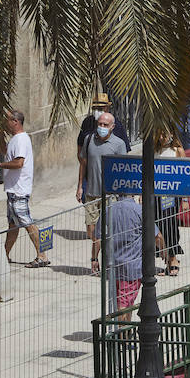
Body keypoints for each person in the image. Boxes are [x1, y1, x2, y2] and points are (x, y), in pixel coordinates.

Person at [0, 110, 48, 268]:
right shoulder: (15, 140)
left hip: (19, 190)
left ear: (15, 122)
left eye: (8, 121)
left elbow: (18, 163)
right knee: (13, 225)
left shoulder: (22, 140)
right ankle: (4, 255)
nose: (6, 123)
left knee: (27, 223)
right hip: (12, 190)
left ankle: (42, 255)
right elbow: (6, 152)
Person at [78, 108, 128, 276]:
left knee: (109, 231)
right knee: (92, 232)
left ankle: (109, 262)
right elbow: (83, 163)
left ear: (112, 126)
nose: (101, 127)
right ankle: (95, 259)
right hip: (91, 193)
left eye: (105, 124)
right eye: (100, 124)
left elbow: (124, 170)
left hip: (110, 196)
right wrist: (80, 187)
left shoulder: (119, 144)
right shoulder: (89, 139)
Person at [103, 194, 162, 312]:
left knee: (121, 300)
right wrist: (164, 253)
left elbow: (98, 236)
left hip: (113, 264)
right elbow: (157, 237)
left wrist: (94, 258)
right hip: (132, 267)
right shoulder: (139, 210)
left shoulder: (108, 209)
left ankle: (125, 329)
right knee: (124, 303)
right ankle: (122, 329)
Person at [154, 131, 184, 277]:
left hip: (172, 195)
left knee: (169, 225)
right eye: (160, 134)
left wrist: (184, 199)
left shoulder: (177, 151)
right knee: (157, 227)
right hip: (157, 195)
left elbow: (185, 174)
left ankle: (172, 259)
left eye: (164, 134)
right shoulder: (154, 151)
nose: (162, 137)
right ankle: (166, 259)